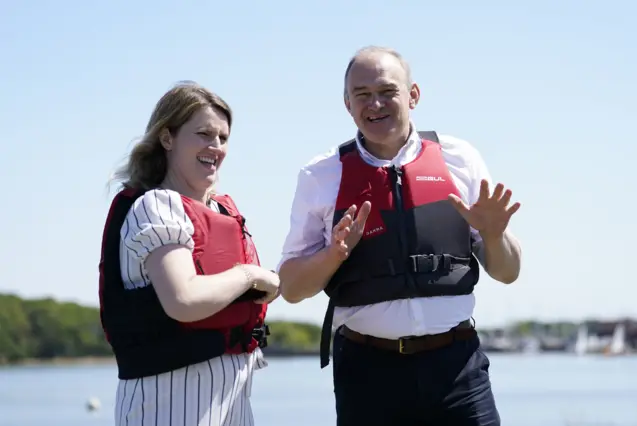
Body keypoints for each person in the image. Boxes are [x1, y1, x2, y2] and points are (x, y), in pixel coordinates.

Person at [277, 46, 522, 425]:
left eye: (387, 91)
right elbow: (291, 288)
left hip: (457, 369)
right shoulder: (320, 175)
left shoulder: (460, 158)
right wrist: (333, 255)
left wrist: (493, 235)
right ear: (347, 104)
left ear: (413, 95)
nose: (375, 103)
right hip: (367, 373)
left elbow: (508, 272)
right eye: (362, 94)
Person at [98, 81, 280, 426]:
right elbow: (182, 299)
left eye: (223, 138)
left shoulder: (223, 211)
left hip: (231, 403)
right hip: (167, 407)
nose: (216, 146)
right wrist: (251, 275)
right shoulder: (156, 205)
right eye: (203, 134)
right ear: (167, 138)